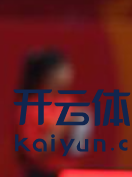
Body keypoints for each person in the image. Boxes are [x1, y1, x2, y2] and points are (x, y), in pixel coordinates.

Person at [17, 49, 90, 177]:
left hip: (70, 172)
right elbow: (37, 152)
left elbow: (79, 146)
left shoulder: (70, 101)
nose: (71, 73)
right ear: (48, 74)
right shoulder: (30, 108)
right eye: (64, 70)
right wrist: (64, 124)